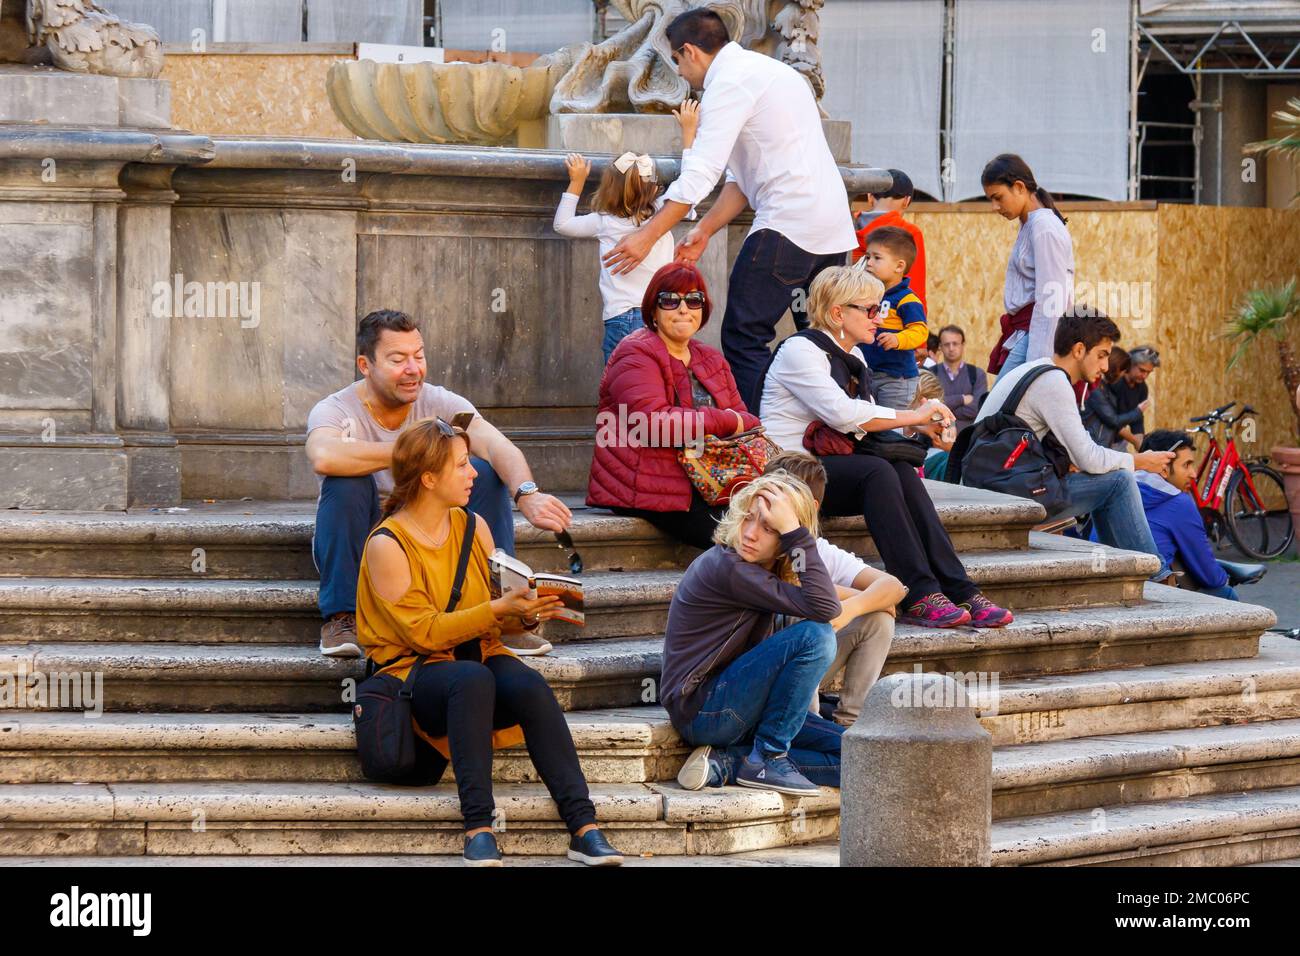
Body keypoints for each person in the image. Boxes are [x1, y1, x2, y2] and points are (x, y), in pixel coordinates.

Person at [355, 419, 624, 866]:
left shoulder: (474, 526)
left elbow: (492, 618)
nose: (474, 473)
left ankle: (584, 827)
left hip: (476, 653)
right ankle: (478, 826)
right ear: (428, 478)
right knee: (471, 679)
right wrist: (499, 612)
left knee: (528, 685)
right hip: (415, 674)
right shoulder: (388, 543)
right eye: (462, 465)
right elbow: (424, 633)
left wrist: (526, 616)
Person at [600, 8, 856, 412]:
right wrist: (705, 229)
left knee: (744, 335)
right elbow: (741, 180)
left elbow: (700, 173)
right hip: (832, 229)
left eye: (677, 61)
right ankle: (826, 441)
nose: (681, 73)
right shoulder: (773, 72)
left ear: (690, 51)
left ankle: (760, 438)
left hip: (786, 227)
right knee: (823, 340)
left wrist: (647, 236)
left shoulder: (728, 83)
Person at [306, 309, 573, 659]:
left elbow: (496, 445)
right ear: (365, 364)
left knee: (483, 472)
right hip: (373, 534)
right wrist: (415, 450)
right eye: (398, 359)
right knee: (345, 483)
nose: (413, 369)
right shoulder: (336, 409)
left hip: (436, 528)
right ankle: (342, 616)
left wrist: (527, 493)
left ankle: (501, 603)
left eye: (419, 356)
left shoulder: (441, 403)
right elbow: (324, 456)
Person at [760, 264, 1013, 629]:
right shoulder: (800, 351)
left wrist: (921, 429)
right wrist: (915, 416)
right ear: (837, 314)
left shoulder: (854, 356)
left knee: (899, 470)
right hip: (790, 474)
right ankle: (919, 594)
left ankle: (959, 588)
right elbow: (845, 414)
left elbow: (867, 431)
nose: (881, 318)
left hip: (829, 466)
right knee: (877, 472)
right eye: (870, 309)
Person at [666, 473, 845, 794]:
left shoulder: (762, 571)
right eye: (748, 518)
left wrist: (794, 533)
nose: (750, 534)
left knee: (859, 755)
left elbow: (822, 601)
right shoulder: (729, 568)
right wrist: (793, 532)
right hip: (704, 710)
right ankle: (768, 756)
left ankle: (729, 764)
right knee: (817, 636)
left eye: (768, 527)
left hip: (742, 705)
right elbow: (825, 609)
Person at [975, 310, 1176, 582]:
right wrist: (1141, 461)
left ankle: (1124, 572)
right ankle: (1157, 576)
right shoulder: (1054, 382)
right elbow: (1089, 458)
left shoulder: (1034, 369)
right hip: (1006, 492)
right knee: (1119, 482)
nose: (1106, 367)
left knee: (1109, 481)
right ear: (1080, 350)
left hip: (993, 482)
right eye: (1102, 355)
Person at [586, 262, 759, 549]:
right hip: (649, 485)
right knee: (749, 536)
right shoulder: (635, 353)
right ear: (653, 310)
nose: (683, 309)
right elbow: (653, 424)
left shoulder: (711, 358)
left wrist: (734, 421)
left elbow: (746, 420)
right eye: (670, 300)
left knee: (779, 519)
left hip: (709, 481)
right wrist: (724, 421)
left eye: (693, 300)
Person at [552, 100, 701, 365]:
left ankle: (620, 410)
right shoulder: (662, 212)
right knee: (659, 380)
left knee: (621, 384)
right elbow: (690, 187)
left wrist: (576, 183)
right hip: (659, 314)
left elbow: (563, 224)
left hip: (620, 317)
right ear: (653, 189)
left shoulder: (603, 221)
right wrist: (689, 132)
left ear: (608, 187)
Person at [764, 452, 904, 726]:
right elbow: (791, 590)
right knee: (810, 614)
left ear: (811, 506)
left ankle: (850, 724)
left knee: (877, 619)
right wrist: (841, 599)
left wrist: (851, 608)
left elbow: (893, 588)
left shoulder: (819, 550)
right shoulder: (753, 540)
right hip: (758, 669)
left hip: (809, 662)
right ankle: (808, 723)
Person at [982, 154, 1075, 376]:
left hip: (1035, 338)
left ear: (1019, 187)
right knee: (1004, 407)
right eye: (990, 200)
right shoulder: (1031, 224)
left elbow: (1052, 297)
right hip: (1025, 334)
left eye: (998, 197)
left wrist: (1038, 363)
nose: (995, 206)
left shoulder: (1044, 226)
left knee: (999, 406)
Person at [1135, 430, 1239, 600]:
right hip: (1149, 600)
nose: (1194, 474)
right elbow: (1211, 577)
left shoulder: (1119, 492)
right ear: (1164, 468)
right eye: (1186, 465)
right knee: (1226, 594)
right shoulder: (1179, 504)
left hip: (1109, 593)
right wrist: (1224, 577)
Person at [857, 226, 928, 410]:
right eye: (867, 257)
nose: (869, 263)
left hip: (897, 379)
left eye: (877, 258)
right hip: (867, 375)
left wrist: (898, 339)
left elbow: (920, 331)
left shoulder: (907, 299)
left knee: (892, 429)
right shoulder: (867, 295)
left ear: (899, 266)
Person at [850, 168, 927, 309]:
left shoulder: (848, 226)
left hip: (850, 313)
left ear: (869, 197)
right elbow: (915, 286)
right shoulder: (908, 232)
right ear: (906, 200)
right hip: (890, 318)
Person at [1083, 346, 1148, 450]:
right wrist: (1138, 411)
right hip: (1094, 445)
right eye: (1123, 371)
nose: (1123, 375)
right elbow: (1113, 420)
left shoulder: (1106, 387)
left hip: (1105, 443)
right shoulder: (1096, 389)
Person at [936, 324, 989, 433]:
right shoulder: (931, 373)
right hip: (936, 439)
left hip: (968, 440)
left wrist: (942, 407)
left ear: (963, 345)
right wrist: (962, 399)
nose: (951, 348)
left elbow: (975, 409)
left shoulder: (977, 374)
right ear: (940, 347)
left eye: (955, 344)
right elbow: (928, 408)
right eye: (946, 344)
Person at [1109, 345, 1159, 449]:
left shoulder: (1142, 388)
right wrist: (1136, 442)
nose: (1145, 376)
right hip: (1103, 441)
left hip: (1120, 442)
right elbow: (1112, 422)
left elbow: (1137, 420)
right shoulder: (1115, 384)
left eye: (1148, 372)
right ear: (1130, 364)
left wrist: (1142, 443)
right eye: (1142, 370)